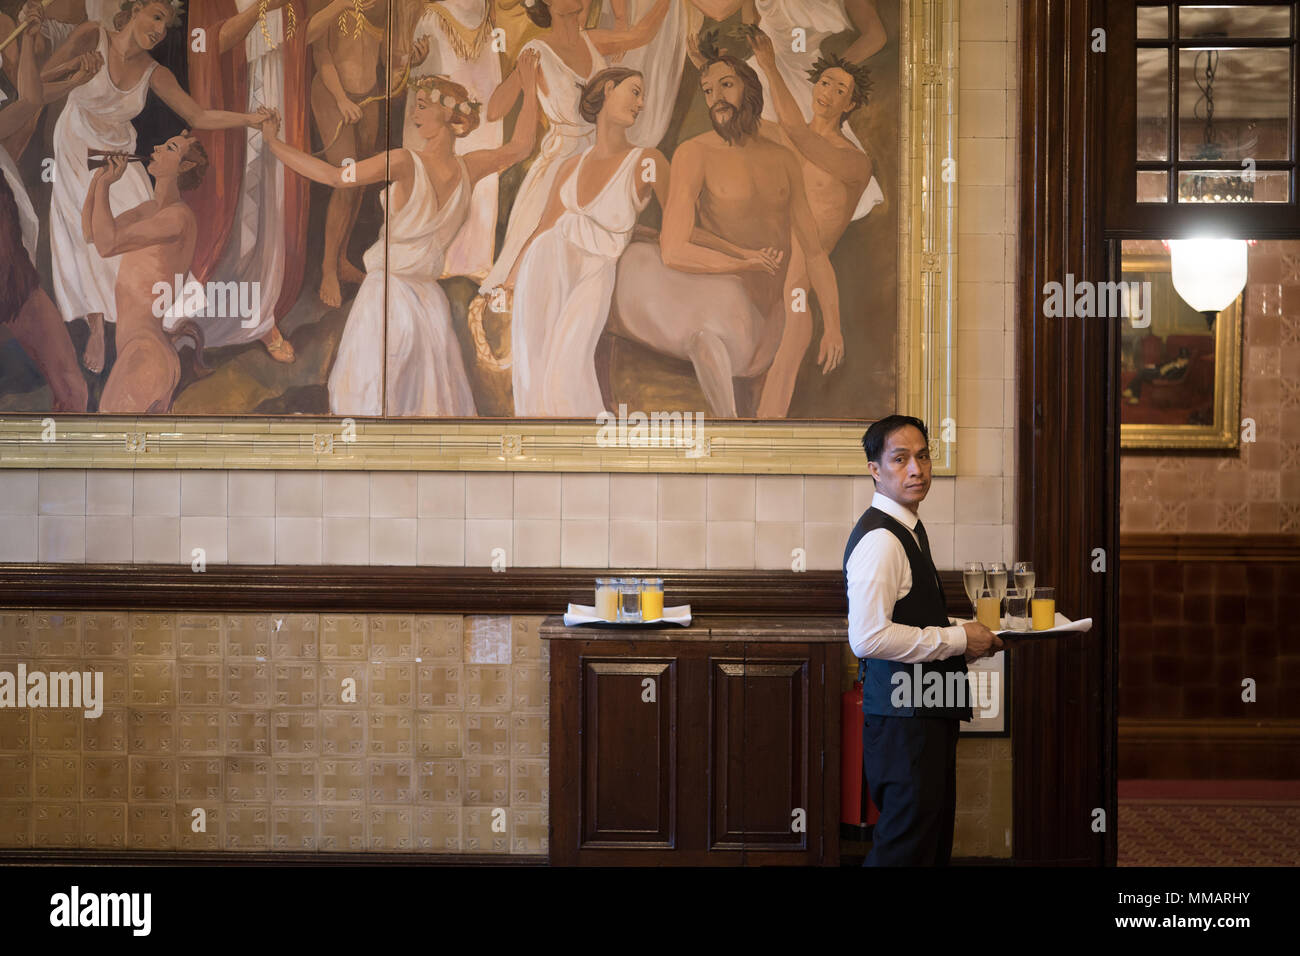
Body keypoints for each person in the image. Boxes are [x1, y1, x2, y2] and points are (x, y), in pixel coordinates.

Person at [261, 49, 544, 416]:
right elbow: (522, 146)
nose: (415, 113)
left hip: (387, 299)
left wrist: (273, 143)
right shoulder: (469, 168)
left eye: (424, 106)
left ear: (447, 113)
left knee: (371, 405)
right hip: (429, 305)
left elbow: (334, 177)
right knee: (426, 408)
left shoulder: (405, 161)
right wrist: (530, 85)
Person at [43, 0, 274, 374]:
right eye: (155, 16)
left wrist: (250, 119)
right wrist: (75, 77)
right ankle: (98, 326)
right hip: (75, 146)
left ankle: (146, 325)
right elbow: (41, 84)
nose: (159, 29)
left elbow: (197, 115)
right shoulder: (91, 36)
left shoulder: (155, 71)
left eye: (165, 24)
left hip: (118, 149)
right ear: (133, 10)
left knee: (139, 232)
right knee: (81, 239)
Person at [606, 45, 839, 417]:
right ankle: (728, 430)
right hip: (716, 288)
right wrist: (742, 263)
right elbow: (674, 249)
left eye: (726, 85)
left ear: (749, 88)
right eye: (708, 90)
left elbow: (812, 250)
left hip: (770, 301)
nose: (716, 98)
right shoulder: (693, 153)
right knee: (708, 327)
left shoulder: (783, 159)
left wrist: (834, 324)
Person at [843, 415, 1002, 866]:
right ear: (876, 469)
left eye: (924, 456)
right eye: (900, 459)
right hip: (902, 721)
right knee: (904, 850)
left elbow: (913, 616)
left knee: (927, 846)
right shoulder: (881, 539)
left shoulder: (909, 527)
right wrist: (956, 639)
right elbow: (869, 637)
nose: (917, 469)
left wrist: (974, 634)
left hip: (922, 712)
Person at [478, 0, 671, 301]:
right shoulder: (536, 50)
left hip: (601, 160)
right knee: (539, 263)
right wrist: (527, 83)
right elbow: (494, 110)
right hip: (560, 166)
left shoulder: (591, 39)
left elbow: (642, 35)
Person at [184, 0, 337, 362]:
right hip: (233, 100)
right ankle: (203, 319)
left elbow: (301, 38)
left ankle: (261, 315)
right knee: (231, 211)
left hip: (278, 90)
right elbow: (209, 44)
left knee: (273, 203)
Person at [509, 67, 667, 415]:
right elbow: (542, 229)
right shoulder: (570, 166)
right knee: (533, 369)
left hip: (595, 272)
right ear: (609, 89)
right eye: (635, 92)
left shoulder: (647, 162)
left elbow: (676, 228)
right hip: (544, 267)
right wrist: (509, 282)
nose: (641, 103)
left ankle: (581, 456)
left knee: (566, 372)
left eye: (642, 96)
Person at [749, 29, 870, 416]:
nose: (829, 92)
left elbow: (799, 133)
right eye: (825, 83)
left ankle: (762, 455)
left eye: (840, 90)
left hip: (798, 284)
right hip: (761, 266)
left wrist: (832, 325)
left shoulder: (854, 162)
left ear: (850, 104)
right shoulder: (785, 137)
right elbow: (742, 118)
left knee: (778, 379)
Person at [0, 2, 92, 412]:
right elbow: (26, 101)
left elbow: (23, 102)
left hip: (13, 270)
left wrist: (73, 78)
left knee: (72, 387)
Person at [85, 133, 208, 413]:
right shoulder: (149, 209)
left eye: (169, 147)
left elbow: (108, 245)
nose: (156, 146)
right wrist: (98, 181)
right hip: (141, 350)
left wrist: (105, 185)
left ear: (184, 167)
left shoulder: (177, 217)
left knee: (110, 445)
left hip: (146, 354)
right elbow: (91, 233)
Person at [398, 0, 503, 280]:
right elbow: (420, 83)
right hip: (444, 54)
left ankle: (473, 257)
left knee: (481, 159)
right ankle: (433, 256)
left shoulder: (487, 15)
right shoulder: (432, 17)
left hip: (482, 66)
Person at [1123, 347, 1191, 404]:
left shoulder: (1181, 369)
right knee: (1142, 371)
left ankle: (1132, 393)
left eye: (1183, 359)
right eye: (1180, 358)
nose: (1180, 360)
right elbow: (1162, 364)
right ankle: (1134, 395)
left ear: (1187, 361)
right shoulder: (1174, 361)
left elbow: (1171, 377)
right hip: (1158, 371)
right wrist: (1153, 366)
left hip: (1160, 376)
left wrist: (1174, 367)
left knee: (1142, 373)